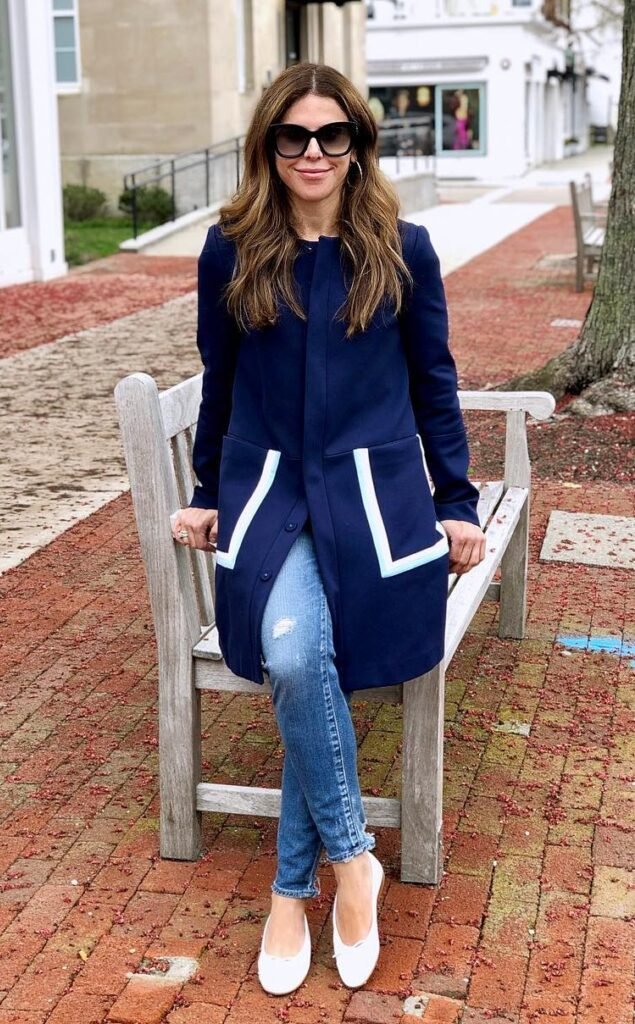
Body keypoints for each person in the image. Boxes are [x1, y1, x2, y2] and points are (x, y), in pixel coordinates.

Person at [171, 62, 485, 996]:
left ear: (357, 143)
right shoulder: (231, 250)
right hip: (270, 497)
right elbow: (220, 383)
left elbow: (434, 382)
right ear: (268, 147)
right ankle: (355, 863)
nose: (312, 153)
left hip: (374, 504)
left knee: (313, 657)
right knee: (297, 654)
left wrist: (456, 501)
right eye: (293, 137)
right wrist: (204, 489)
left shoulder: (404, 248)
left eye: (330, 136)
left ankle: (286, 888)